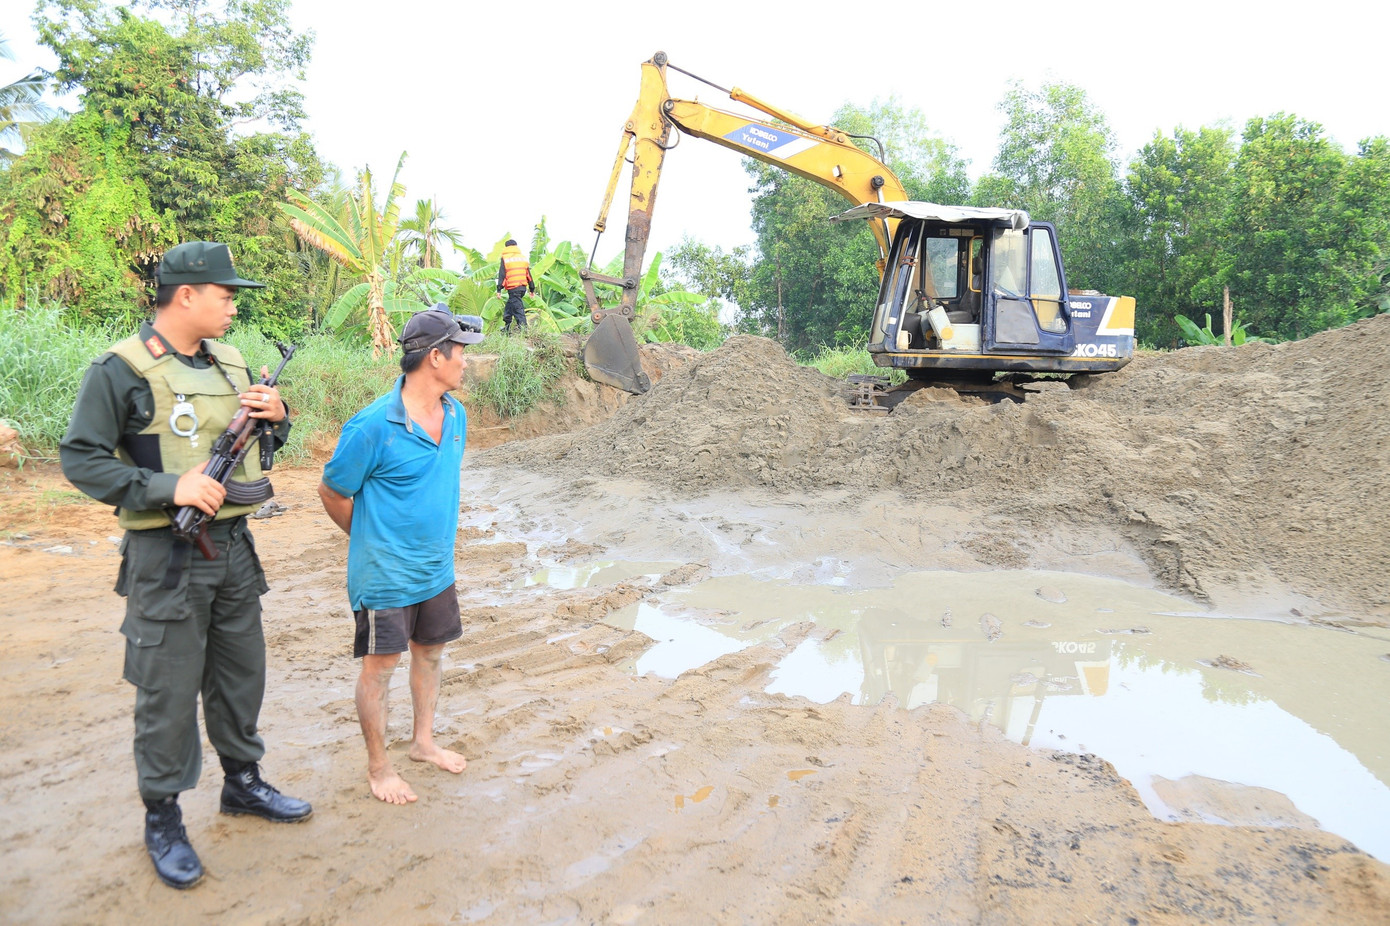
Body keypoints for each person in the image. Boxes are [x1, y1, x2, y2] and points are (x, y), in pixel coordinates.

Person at [59, 241, 312, 891]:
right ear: (186, 295)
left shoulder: (229, 363)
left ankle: (243, 783)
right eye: (225, 294)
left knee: (240, 672)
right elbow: (82, 459)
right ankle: (163, 818)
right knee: (167, 691)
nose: (233, 305)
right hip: (166, 555)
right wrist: (167, 489)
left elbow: (261, 444)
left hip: (232, 547)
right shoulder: (121, 369)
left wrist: (277, 418)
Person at [317, 305, 484, 805]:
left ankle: (422, 742)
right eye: (460, 354)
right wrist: (369, 538)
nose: (466, 363)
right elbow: (332, 491)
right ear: (435, 357)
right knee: (380, 665)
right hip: (385, 577)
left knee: (431, 654)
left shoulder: (456, 416)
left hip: (437, 571)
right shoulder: (371, 427)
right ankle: (379, 767)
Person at [495, 238, 535, 333]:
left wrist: (499, 289)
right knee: (510, 306)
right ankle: (507, 327)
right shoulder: (522, 258)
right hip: (522, 288)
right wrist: (532, 289)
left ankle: (524, 330)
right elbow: (528, 274)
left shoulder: (505, 258)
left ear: (506, 247)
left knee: (518, 308)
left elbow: (502, 274)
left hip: (513, 287)